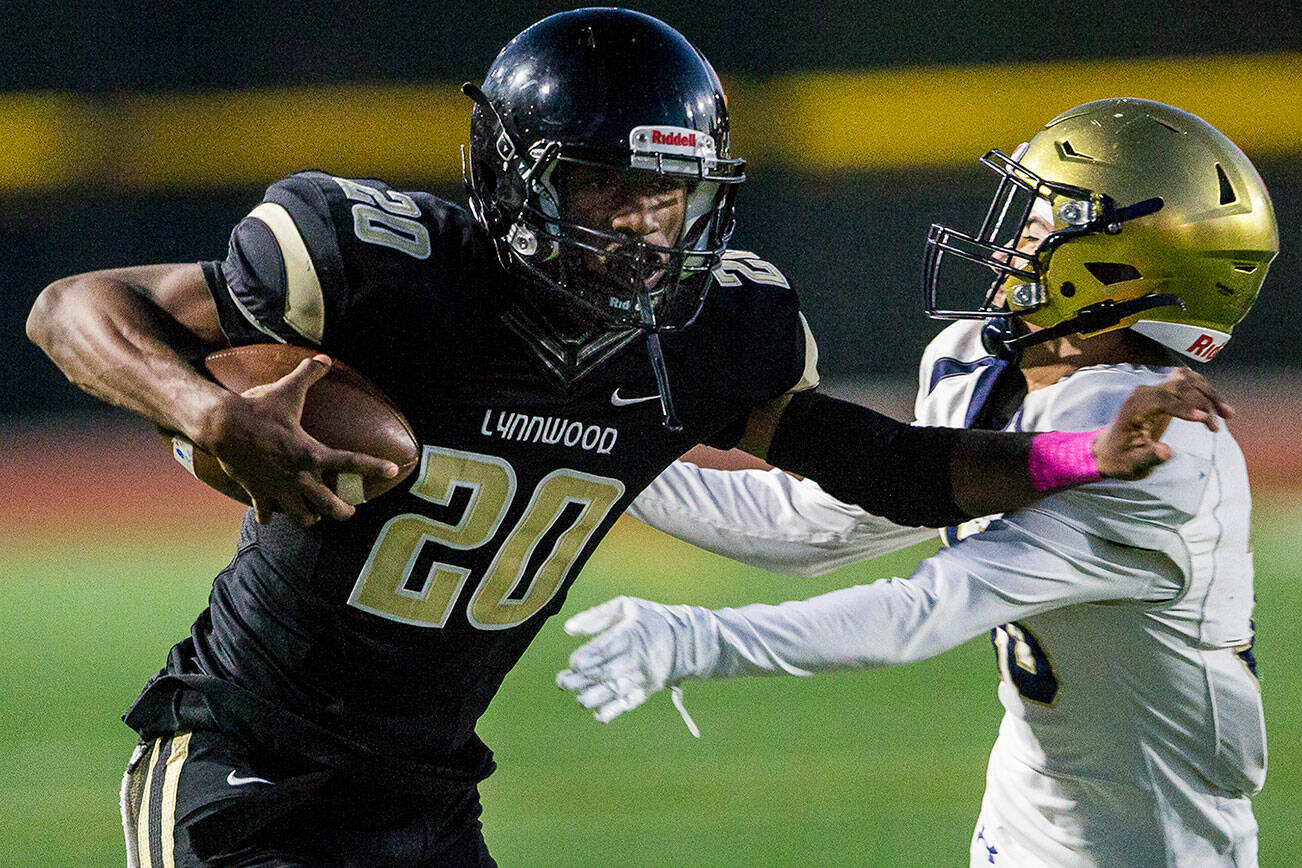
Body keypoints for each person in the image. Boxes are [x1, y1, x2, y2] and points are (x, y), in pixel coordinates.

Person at [26, 9, 1221, 862]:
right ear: (516, 175)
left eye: (670, 194)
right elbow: (72, 306)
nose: (643, 228)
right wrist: (206, 411)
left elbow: (897, 472)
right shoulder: (386, 266)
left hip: (428, 793)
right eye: (606, 189)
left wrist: (1079, 455)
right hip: (246, 764)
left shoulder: (712, 330)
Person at [559, 99, 1276, 866]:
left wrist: (705, 639)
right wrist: (588, 443)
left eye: (1041, 229)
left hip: (1155, 848)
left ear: (1122, 272)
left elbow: (924, 611)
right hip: (1022, 819)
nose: (1009, 245)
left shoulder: (1168, 455)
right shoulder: (980, 361)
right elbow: (808, 526)